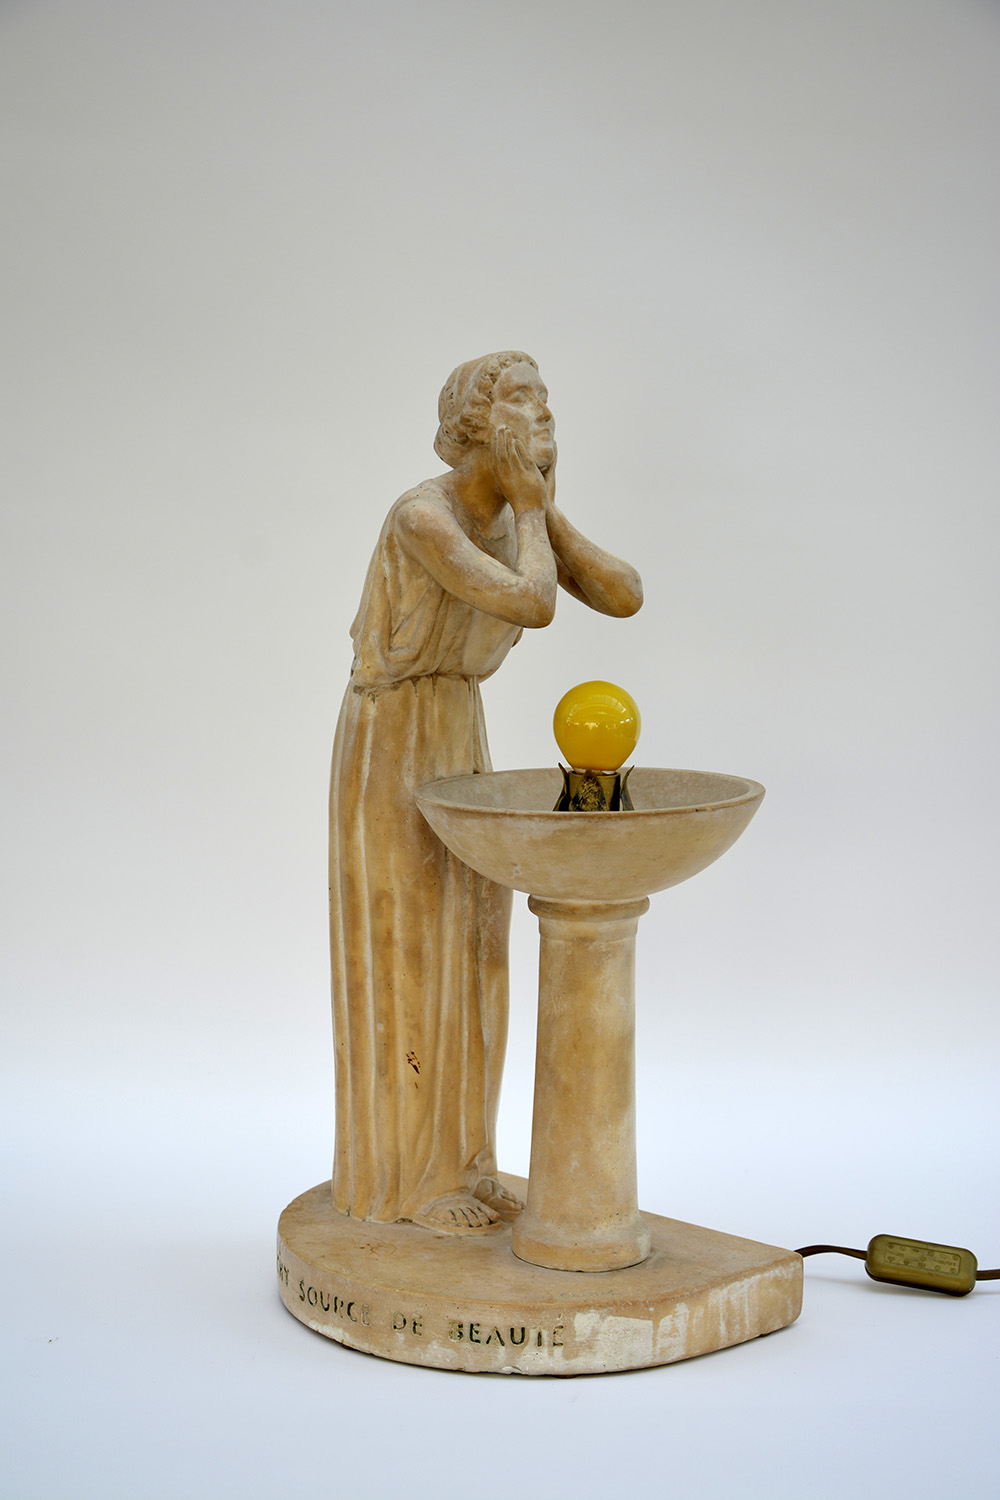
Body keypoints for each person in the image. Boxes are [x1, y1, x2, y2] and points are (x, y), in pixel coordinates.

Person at [329, 351, 642, 1233]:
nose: (545, 414)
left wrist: (541, 507)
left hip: (457, 726)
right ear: (476, 423)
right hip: (395, 735)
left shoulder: (516, 515)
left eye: (547, 400)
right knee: (413, 949)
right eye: (523, 399)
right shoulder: (422, 517)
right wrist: (533, 509)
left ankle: (468, 1161)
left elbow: (623, 595)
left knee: (476, 950)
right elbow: (534, 603)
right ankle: (411, 1183)